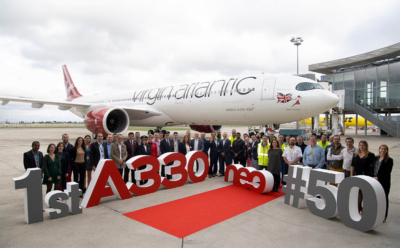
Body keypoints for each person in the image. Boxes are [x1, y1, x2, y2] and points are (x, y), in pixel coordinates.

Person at [351, 140, 375, 214]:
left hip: (366, 176)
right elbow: (352, 165)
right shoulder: (356, 154)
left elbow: (373, 167)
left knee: (365, 192)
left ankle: (366, 208)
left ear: (366, 146)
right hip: (357, 175)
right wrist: (351, 175)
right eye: (360, 145)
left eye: (363, 145)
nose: (361, 147)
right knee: (358, 192)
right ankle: (358, 207)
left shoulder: (370, 155)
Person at [373, 144, 393, 222]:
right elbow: (372, 168)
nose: (383, 150)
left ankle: (384, 215)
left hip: (384, 181)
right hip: (374, 180)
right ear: (379, 150)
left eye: (385, 149)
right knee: (375, 197)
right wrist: (373, 176)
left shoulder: (389, 160)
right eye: (382, 149)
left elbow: (387, 172)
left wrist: (378, 177)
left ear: (387, 151)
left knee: (384, 198)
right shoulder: (375, 158)